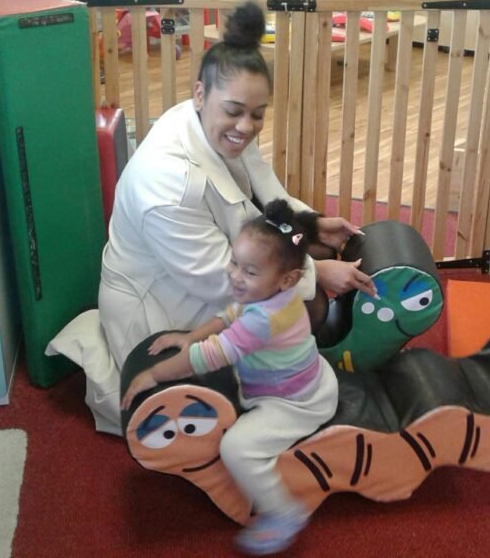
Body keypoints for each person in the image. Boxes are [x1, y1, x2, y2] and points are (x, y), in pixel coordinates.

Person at [89, 0, 376, 434]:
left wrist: (312, 223)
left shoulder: (212, 119)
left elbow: (264, 188)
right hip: (164, 298)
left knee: (310, 247)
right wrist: (315, 273)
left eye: (257, 115)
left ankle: (298, 352)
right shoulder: (166, 183)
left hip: (217, 261)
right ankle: (287, 376)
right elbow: (220, 278)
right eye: (235, 111)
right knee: (307, 298)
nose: (246, 126)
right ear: (200, 95)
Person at [121, 200, 339, 555]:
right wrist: (191, 336)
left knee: (237, 449)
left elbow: (207, 357)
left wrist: (154, 375)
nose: (236, 275)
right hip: (302, 378)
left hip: (295, 404)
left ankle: (285, 513)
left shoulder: (264, 319)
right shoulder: (269, 294)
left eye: (249, 271)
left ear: (287, 279)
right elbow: (230, 315)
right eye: (234, 262)